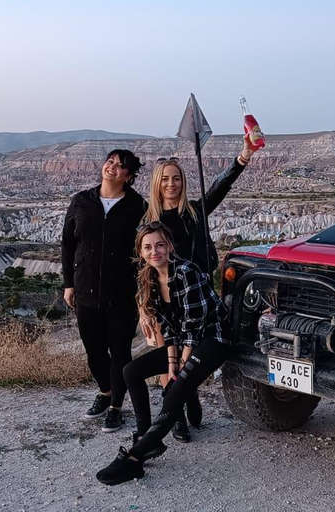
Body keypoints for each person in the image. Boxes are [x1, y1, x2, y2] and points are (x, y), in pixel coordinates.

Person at [139, 135, 258, 442]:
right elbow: (140, 267)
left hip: (195, 299)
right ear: (157, 183)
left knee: (192, 359)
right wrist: (143, 309)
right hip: (165, 300)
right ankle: (176, 415)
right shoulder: (149, 220)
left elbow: (221, 186)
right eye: (165, 179)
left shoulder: (194, 212)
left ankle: (187, 395)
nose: (171, 184)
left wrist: (242, 157)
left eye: (176, 178)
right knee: (170, 357)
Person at [96, 223, 232, 485]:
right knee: (130, 372)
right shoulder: (147, 279)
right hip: (184, 341)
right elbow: (170, 329)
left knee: (174, 391)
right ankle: (146, 436)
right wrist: (172, 366)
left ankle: (135, 458)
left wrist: (181, 368)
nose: (155, 251)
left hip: (213, 337)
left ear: (169, 246)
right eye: (148, 247)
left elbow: (193, 326)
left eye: (159, 245)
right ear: (141, 252)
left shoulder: (186, 272)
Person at [61, 149, 146, 433]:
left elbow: (145, 247)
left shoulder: (137, 206)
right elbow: (68, 244)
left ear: (129, 177)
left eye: (120, 166)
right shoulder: (82, 201)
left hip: (122, 293)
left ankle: (116, 407)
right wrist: (68, 283)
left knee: (120, 351)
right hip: (85, 290)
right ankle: (105, 391)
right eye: (110, 161)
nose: (112, 167)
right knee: (94, 350)